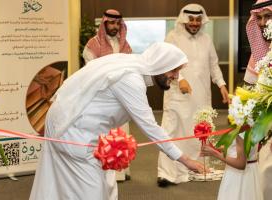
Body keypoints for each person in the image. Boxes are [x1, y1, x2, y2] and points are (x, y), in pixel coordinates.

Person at [29, 42, 205, 200]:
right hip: (73, 132)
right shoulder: (130, 79)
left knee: (104, 186)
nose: (176, 76)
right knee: (91, 192)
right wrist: (185, 160)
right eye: (174, 70)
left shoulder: (130, 65)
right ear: (160, 65)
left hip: (81, 129)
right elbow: (150, 127)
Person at [157, 4, 230, 187]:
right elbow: (165, 63)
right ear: (184, 20)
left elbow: (213, 64)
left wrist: (221, 85)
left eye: (198, 20)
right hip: (177, 96)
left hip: (200, 97)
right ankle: (166, 173)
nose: (195, 23)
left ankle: (194, 168)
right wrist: (180, 78)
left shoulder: (206, 39)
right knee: (171, 131)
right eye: (192, 20)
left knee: (196, 132)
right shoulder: (172, 37)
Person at [83, 9, 132, 181]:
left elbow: (130, 69)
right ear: (104, 23)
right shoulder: (92, 45)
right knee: (104, 133)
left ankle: (121, 170)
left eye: (118, 23)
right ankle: (105, 169)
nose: (115, 27)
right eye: (111, 23)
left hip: (120, 98)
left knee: (121, 132)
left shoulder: (124, 45)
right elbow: (92, 72)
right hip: (101, 99)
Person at [244, 1, 272, 199]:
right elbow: (249, 91)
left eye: (268, 16)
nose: (262, 23)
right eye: (258, 18)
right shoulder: (259, 54)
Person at [201, 133, 263, 200]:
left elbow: (241, 164)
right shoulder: (251, 126)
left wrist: (214, 153)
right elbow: (238, 147)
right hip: (251, 173)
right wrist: (216, 148)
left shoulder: (242, 131)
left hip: (238, 177)